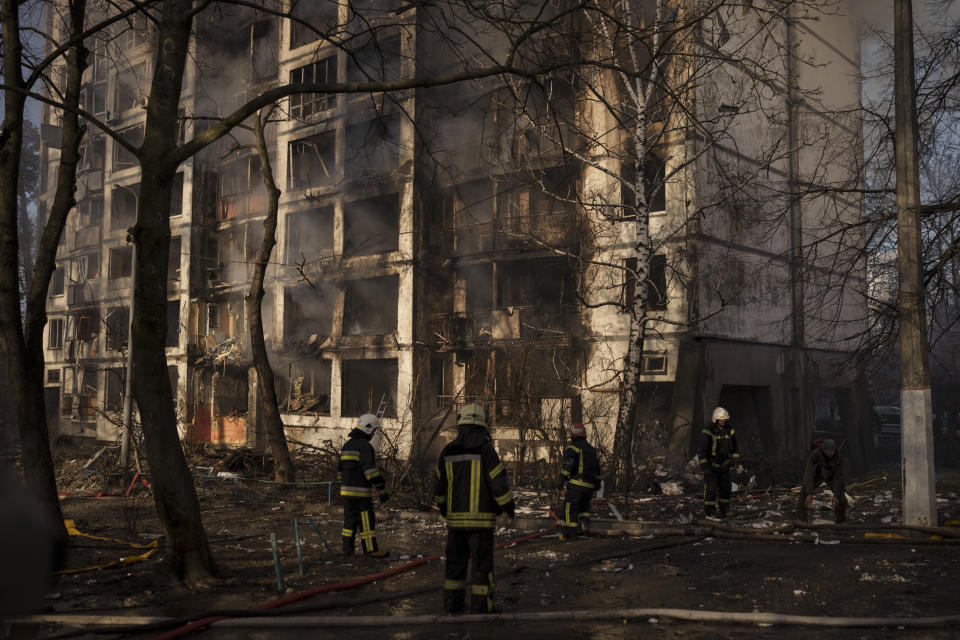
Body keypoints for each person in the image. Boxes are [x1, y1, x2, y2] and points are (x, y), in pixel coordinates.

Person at [433, 403, 515, 614]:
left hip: (455, 525)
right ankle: (481, 609)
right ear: (482, 425)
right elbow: (498, 485)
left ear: (461, 425)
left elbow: (439, 487)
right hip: (481, 524)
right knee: (481, 568)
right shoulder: (487, 452)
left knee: (454, 567)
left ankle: (453, 607)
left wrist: (443, 509)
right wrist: (508, 507)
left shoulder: (447, 452)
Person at [338, 413, 390, 557]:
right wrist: (382, 488)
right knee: (366, 521)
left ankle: (347, 551)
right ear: (368, 429)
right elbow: (370, 472)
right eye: (374, 431)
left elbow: (339, 470)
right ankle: (371, 550)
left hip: (346, 494)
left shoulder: (347, 445)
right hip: (361, 494)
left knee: (349, 522)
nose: (374, 434)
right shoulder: (365, 446)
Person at [557, 422, 600, 541]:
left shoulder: (572, 448)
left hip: (577, 484)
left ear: (573, 435)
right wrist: (597, 483)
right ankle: (583, 527)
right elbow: (598, 469)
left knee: (569, 507)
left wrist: (561, 479)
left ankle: (570, 534)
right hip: (589, 487)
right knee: (583, 507)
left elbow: (568, 465)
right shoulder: (592, 450)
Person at [698, 406, 740, 519]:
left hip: (724, 464)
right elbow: (702, 451)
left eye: (725, 419)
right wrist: (704, 467)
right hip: (711, 465)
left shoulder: (729, 430)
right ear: (715, 419)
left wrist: (735, 460)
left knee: (726, 488)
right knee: (711, 489)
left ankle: (725, 509)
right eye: (721, 419)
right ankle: (710, 511)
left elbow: (735, 447)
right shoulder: (708, 431)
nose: (723, 421)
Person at [799, 438, 846, 523]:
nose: (831, 453)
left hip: (831, 476)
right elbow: (809, 474)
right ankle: (802, 521)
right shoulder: (815, 455)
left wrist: (836, 494)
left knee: (841, 499)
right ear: (824, 450)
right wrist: (810, 493)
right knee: (803, 496)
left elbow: (838, 477)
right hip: (817, 475)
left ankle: (840, 521)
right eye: (829, 451)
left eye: (833, 451)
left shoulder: (838, 457)